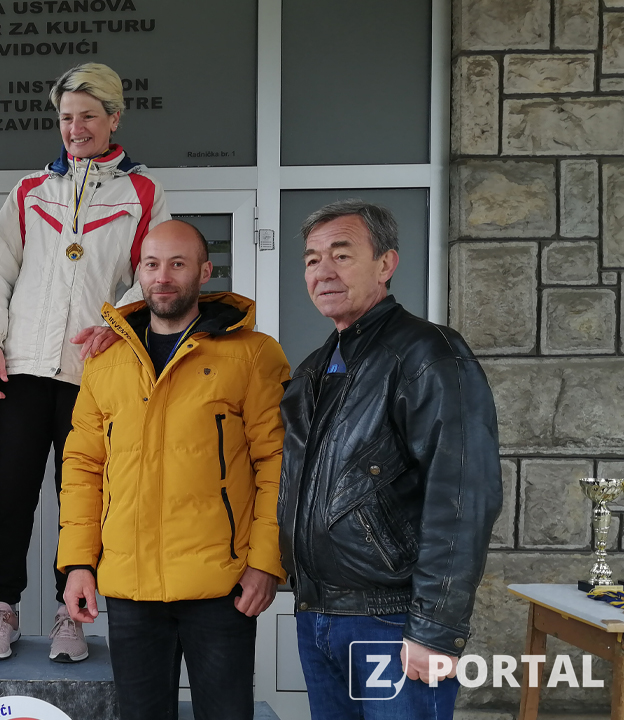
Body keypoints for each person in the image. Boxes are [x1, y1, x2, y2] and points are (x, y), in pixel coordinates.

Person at [0, 62, 170, 663]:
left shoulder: (143, 193)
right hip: (23, 368)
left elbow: (153, 274)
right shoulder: (30, 191)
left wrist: (119, 324)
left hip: (94, 371)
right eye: (66, 118)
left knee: (81, 496)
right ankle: (2, 607)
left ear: (114, 118)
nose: (76, 128)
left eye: (88, 116)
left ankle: (70, 612)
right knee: (7, 493)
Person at [58, 220, 290, 720]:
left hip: (222, 587)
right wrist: (78, 563)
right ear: (138, 272)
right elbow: (83, 467)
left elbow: (277, 462)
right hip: (131, 587)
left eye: (178, 264)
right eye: (152, 264)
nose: (163, 276)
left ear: (205, 272)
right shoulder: (105, 361)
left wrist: (266, 562)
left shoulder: (253, 355)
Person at [278, 199, 502, 717]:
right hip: (317, 615)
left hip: (392, 621)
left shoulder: (428, 353)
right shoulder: (312, 371)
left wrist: (434, 629)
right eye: (312, 259)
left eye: (341, 254)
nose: (323, 271)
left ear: (385, 264)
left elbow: (462, 494)